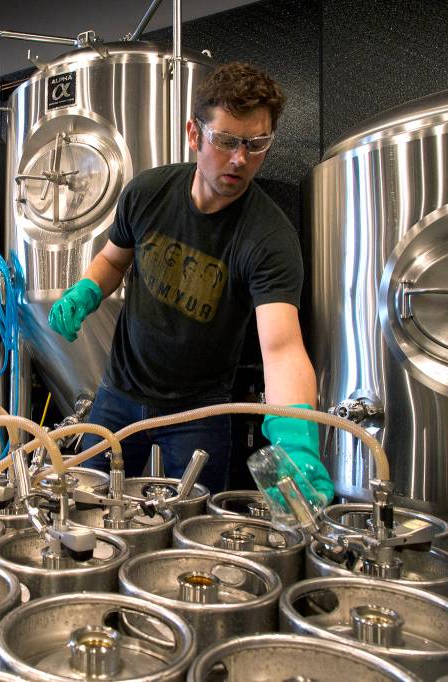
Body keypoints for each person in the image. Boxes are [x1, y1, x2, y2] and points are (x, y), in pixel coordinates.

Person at [47, 61, 333, 502]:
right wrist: (86, 291)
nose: (240, 159)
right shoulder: (147, 193)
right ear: (194, 134)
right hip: (119, 393)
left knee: (194, 525)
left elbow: (282, 349)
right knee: (86, 506)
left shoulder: (269, 238)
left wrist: (296, 436)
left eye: (256, 144)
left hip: (200, 410)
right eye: (226, 141)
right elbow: (112, 259)